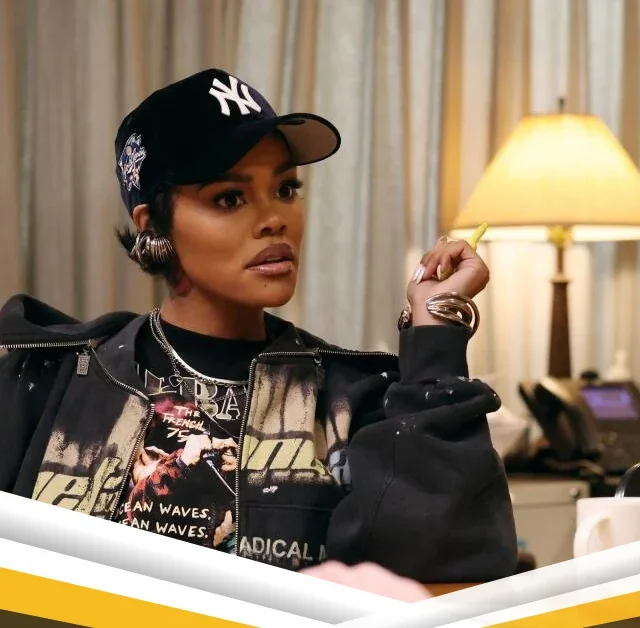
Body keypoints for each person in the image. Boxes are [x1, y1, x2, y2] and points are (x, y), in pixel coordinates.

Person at [0, 68, 517, 584]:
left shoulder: (351, 399)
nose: (275, 219)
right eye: (229, 197)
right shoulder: (49, 378)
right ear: (153, 225)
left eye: (286, 188)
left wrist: (435, 329)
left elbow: (444, 569)